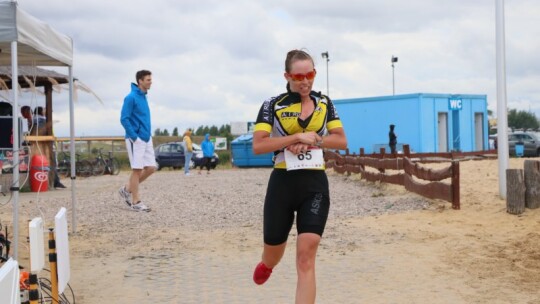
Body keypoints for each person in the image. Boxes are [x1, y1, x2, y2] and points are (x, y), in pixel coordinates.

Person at [251, 49, 347, 303]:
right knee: (274, 251)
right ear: (287, 75)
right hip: (282, 184)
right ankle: (267, 264)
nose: (305, 81)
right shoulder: (272, 104)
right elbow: (259, 145)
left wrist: (315, 139)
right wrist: (293, 138)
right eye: (299, 76)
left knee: (306, 256)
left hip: (314, 185)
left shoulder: (325, 103)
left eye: (310, 74)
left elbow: (341, 140)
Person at [118, 70, 156, 212]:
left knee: (151, 168)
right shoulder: (130, 97)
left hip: (147, 137)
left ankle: (127, 189)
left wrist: (145, 135)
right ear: (140, 81)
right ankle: (136, 202)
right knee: (137, 169)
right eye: (148, 80)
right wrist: (135, 137)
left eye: (150, 79)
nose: (150, 82)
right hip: (136, 139)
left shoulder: (144, 97)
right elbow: (124, 119)